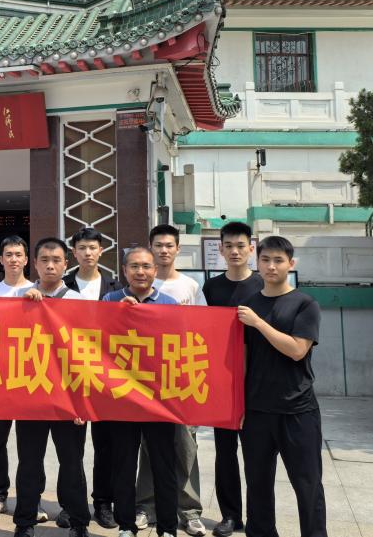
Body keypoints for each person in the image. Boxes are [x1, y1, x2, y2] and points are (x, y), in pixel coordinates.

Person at [237, 236, 326, 537]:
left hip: (297, 409)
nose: (271, 266)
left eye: (278, 260)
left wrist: (259, 323)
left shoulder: (305, 304)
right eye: (265, 260)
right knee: (257, 483)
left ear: (291, 264)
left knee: (307, 484)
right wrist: (238, 404)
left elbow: (297, 350)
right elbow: (242, 360)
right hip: (256, 410)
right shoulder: (248, 306)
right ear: (257, 262)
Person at [13, 238, 90, 537]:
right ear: (34, 263)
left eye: (56, 260)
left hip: (67, 396)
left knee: (72, 463)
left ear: (66, 264)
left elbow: (86, 354)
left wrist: (83, 402)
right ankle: (25, 522)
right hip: (30, 393)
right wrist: (24, 306)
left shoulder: (78, 301)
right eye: (44, 260)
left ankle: (78, 521)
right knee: (29, 463)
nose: (50, 265)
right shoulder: (19, 298)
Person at [136, 224, 207, 536]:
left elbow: (203, 329)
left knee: (185, 445)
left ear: (178, 249)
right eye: (158, 245)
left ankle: (189, 510)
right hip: (144, 381)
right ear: (150, 248)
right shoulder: (139, 283)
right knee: (147, 447)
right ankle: (146, 506)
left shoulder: (190, 286)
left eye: (169, 245)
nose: (163, 250)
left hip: (180, 380)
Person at [103, 247, 179, 537]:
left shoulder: (170, 304)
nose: (140, 272)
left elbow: (178, 347)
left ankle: (168, 528)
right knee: (123, 465)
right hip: (122, 398)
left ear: (155, 271)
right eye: (134, 266)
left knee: (164, 465)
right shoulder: (110, 300)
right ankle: (126, 525)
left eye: (146, 266)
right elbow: (97, 341)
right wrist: (117, 314)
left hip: (159, 398)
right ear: (124, 271)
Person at [202, 222, 263, 537]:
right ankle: (230, 515)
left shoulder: (263, 283)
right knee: (224, 452)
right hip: (223, 382)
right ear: (221, 249)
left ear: (251, 248)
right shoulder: (212, 287)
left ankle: (258, 517)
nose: (235, 251)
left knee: (256, 454)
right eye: (229, 246)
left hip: (258, 381)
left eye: (241, 245)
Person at [61, 228, 123, 530]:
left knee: (105, 445)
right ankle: (69, 505)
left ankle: (103, 503)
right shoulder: (62, 285)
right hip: (69, 376)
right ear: (74, 253)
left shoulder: (116, 287)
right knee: (70, 449)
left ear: (101, 251)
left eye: (92, 248)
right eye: (82, 248)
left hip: (104, 376)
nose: (87, 253)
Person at [0, 236, 30, 522]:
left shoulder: (37, 291)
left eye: (18, 254)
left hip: (29, 376)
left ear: (26, 259)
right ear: (1, 260)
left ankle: (29, 498)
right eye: (8, 254)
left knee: (30, 445)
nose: (13, 259)